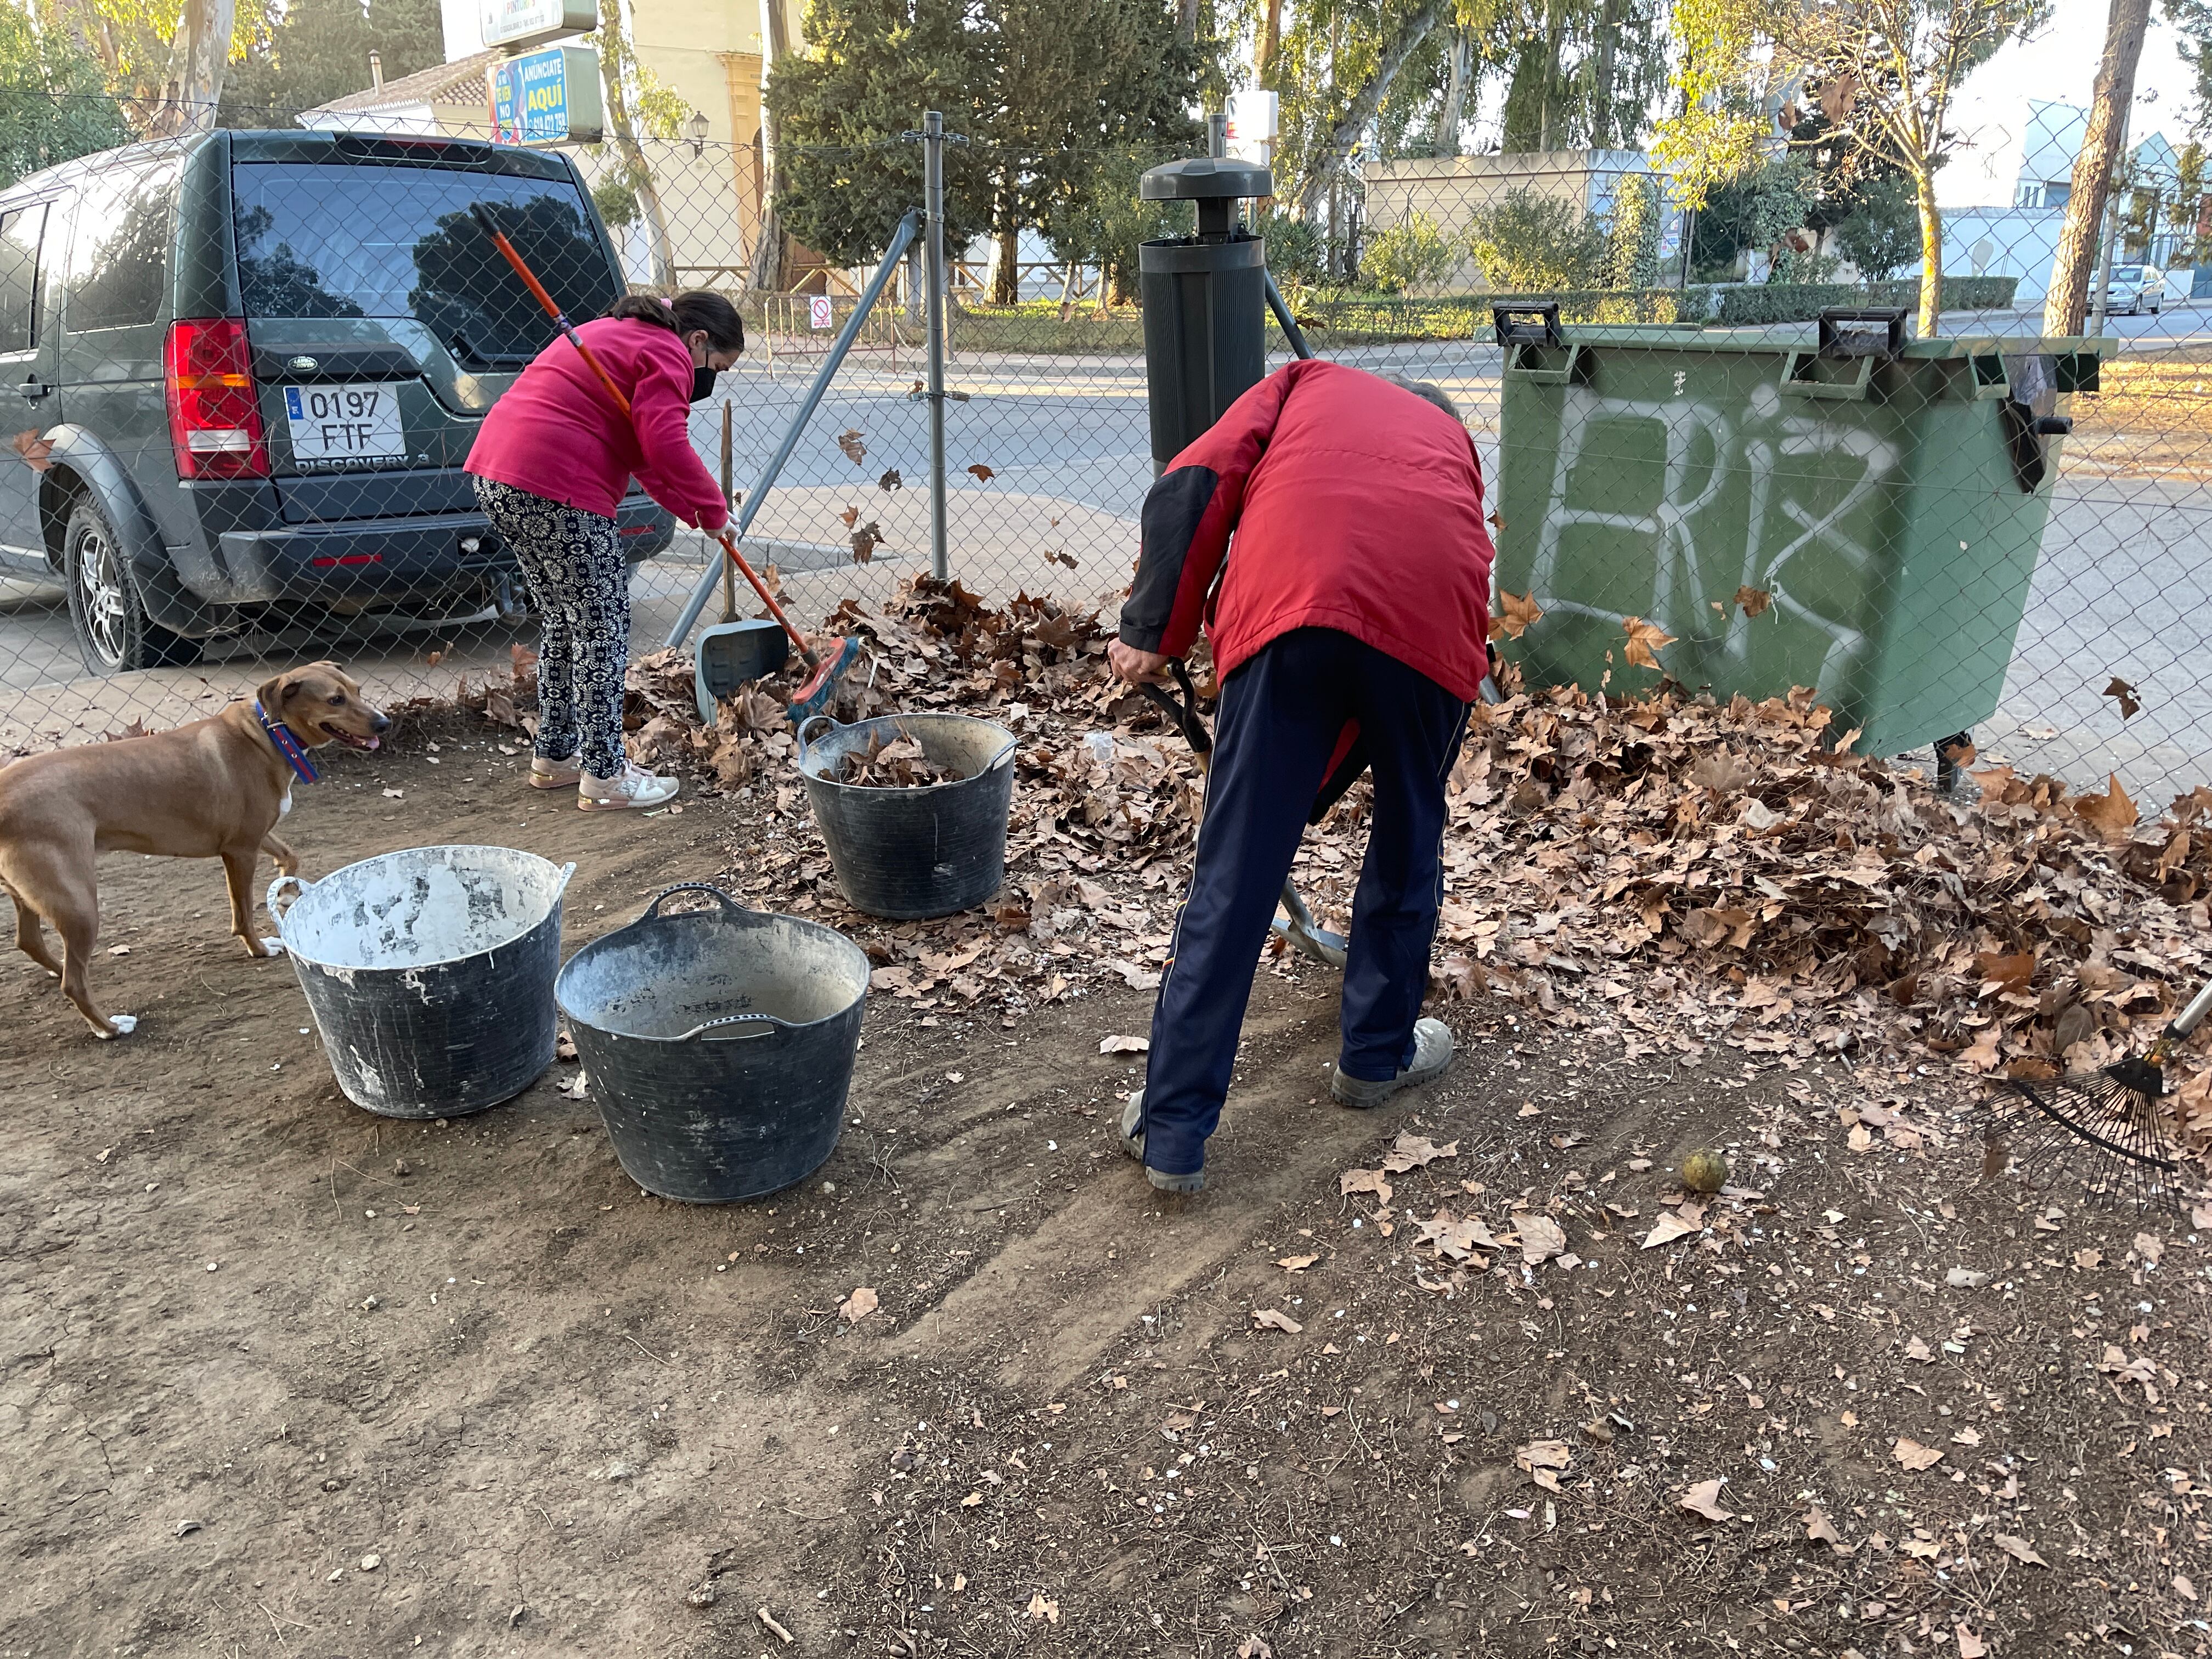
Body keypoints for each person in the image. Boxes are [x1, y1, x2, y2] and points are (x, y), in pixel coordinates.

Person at [1108, 360, 1495, 1193]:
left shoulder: (1306, 384)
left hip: (1294, 600)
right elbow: (1448, 565)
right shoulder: (1453, 444)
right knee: (1407, 845)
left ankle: (1174, 1130)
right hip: (1436, 627)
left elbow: (1199, 480)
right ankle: (1374, 1059)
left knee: (1237, 871)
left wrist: (1153, 629)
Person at [466, 291, 744, 810]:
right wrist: (714, 507)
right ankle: (606, 774)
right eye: (718, 368)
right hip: (556, 484)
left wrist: (702, 516)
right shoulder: (667, 351)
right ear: (699, 339)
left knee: (567, 624)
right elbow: (668, 443)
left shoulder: (617, 335)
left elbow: (643, 459)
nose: (712, 378)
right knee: (602, 628)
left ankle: (557, 755)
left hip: (502, 475)